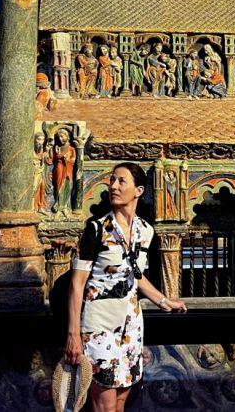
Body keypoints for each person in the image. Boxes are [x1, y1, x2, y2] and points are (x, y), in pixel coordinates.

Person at [65, 163, 187, 412]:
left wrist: (164, 301)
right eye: (112, 181)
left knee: (121, 402)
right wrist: (73, 335)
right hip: (99, 326)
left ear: (139, 190)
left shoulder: (146, 231)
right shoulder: (96, 229)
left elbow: (136, 276)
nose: (113, 186)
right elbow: (77, 285)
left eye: (121, 181)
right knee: (105, 405)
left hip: (131, 326)